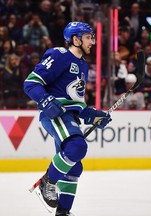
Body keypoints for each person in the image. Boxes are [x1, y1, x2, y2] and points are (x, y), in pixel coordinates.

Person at [24, 22, 111, 216]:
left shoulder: (83, 65)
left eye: (93, 37)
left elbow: (76, 101)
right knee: (77, 148)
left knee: (74, 168)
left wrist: (92, 115)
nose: (93, 41)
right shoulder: (59, 55)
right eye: (89, 37)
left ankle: (63, 212)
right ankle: (48, 181)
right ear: (76, 39)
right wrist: (45, 100)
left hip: (69, 115)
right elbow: (31, 82)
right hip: (55, 113)